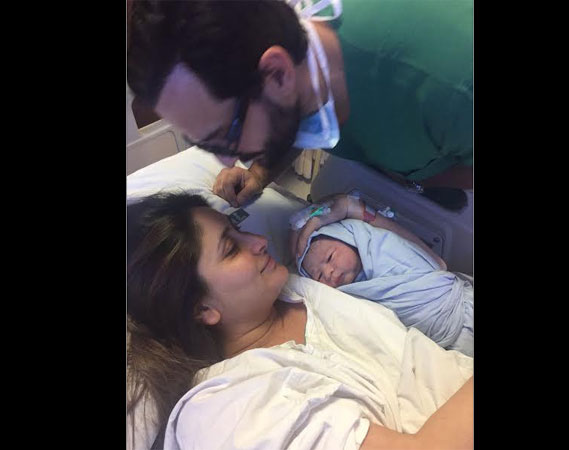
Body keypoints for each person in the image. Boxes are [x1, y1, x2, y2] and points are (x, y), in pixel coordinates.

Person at [127, 191, 473, 449]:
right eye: (231, 249)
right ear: (201, 310)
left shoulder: (295, 287)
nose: (260, 241)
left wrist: (350, 207)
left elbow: (422, 266)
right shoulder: (229, 411)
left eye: (238, 228)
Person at [127, 0, 473, 209]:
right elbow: (288, 113)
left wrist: (425, 180)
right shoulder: (280, 44)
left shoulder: (452, 83)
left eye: (226, 136)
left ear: (278, 73)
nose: (227, 160)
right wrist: (260, 173)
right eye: (204, 143)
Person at [292, 193, 474, 356]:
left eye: (330, 257)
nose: (328, 272)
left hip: (463, 306)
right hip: (445, 346)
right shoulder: (348, 298)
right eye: (318, 276)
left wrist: (325, 215)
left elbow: (439, 264)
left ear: (351, 238)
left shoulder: (381, 244)